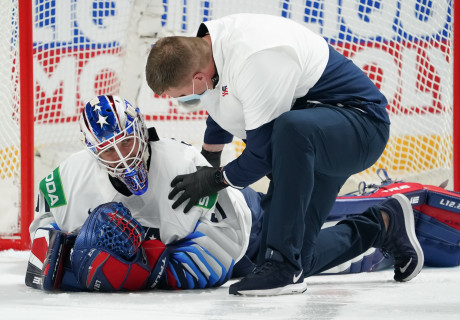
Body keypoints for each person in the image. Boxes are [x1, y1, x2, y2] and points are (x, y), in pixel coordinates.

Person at [144, 13, 424, 295]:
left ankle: (282, 268)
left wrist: (214, 179)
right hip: (313, 139)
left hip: (360, 126)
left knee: (288, 130)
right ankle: (383, 225)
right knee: (290, 255)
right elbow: (222, 106)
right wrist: (208, 160)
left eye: (176, 94)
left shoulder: (256, 58)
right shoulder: (207, 53)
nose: (178, 100)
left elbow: (261, 156)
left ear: (197, 77)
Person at [26, 94, 264, 292]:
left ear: (141, 129)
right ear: (92, 152)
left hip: (250, 227)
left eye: (127, 141)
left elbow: (225, 244)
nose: (123, 157)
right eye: (108, 149)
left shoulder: (182, 162)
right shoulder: (66, 181)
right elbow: (41, 256)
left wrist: (135, 271)